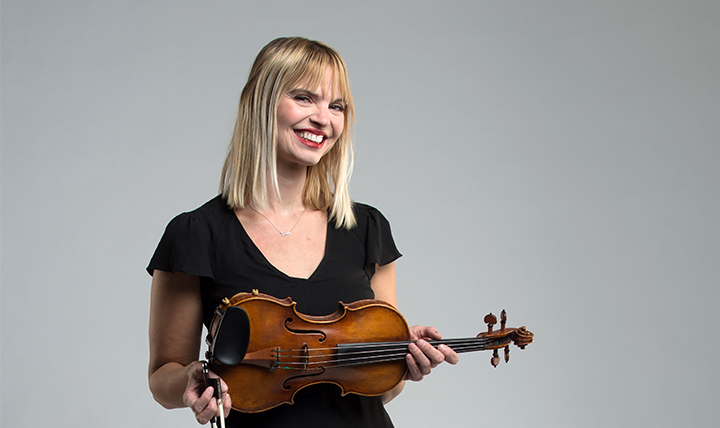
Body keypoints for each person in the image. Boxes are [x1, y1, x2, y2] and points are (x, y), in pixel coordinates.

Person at [147, 36, 458, 427]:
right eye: (304, 98)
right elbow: (163, 374)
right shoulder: (195, 234)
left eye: (337, 106)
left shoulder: (366, 229)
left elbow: (381, 390)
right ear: (259, 101)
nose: (323, 119)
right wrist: (191, 379)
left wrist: (404, 366)